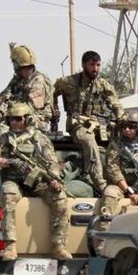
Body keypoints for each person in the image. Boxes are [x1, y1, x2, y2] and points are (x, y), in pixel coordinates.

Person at [0, 102, 71, 261]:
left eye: (18, 119)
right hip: (13, 180)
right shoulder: (3, 139)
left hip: (37, 181)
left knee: (60, 198)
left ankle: (58, 246)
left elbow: (52, 162)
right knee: (8, 194)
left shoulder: (40, 139)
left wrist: (53, 178)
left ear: (27, 119)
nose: (14, 123)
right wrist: (9, 162)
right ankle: (10, 245)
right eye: (11, 119)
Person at [54, 50, 123, 193]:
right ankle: (100, 183)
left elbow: (116, 103)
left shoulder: (102, 85)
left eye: (98, 65)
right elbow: (50, 92)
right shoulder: (68, 82)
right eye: (92, 65)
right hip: (77, 124)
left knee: (119, 143)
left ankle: (119, 180)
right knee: (89, 142)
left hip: (98, 125)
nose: (95, 69)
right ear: (84, 64)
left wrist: (122, 118)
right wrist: (53, 109)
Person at [0, 43, 55, 131]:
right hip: (16, 118)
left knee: (1, 130)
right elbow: (1, 98)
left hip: (34, 121)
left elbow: (29, 109)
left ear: (18, 65)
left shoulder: (38, 82)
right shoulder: (19, 80)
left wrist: (9, 104)